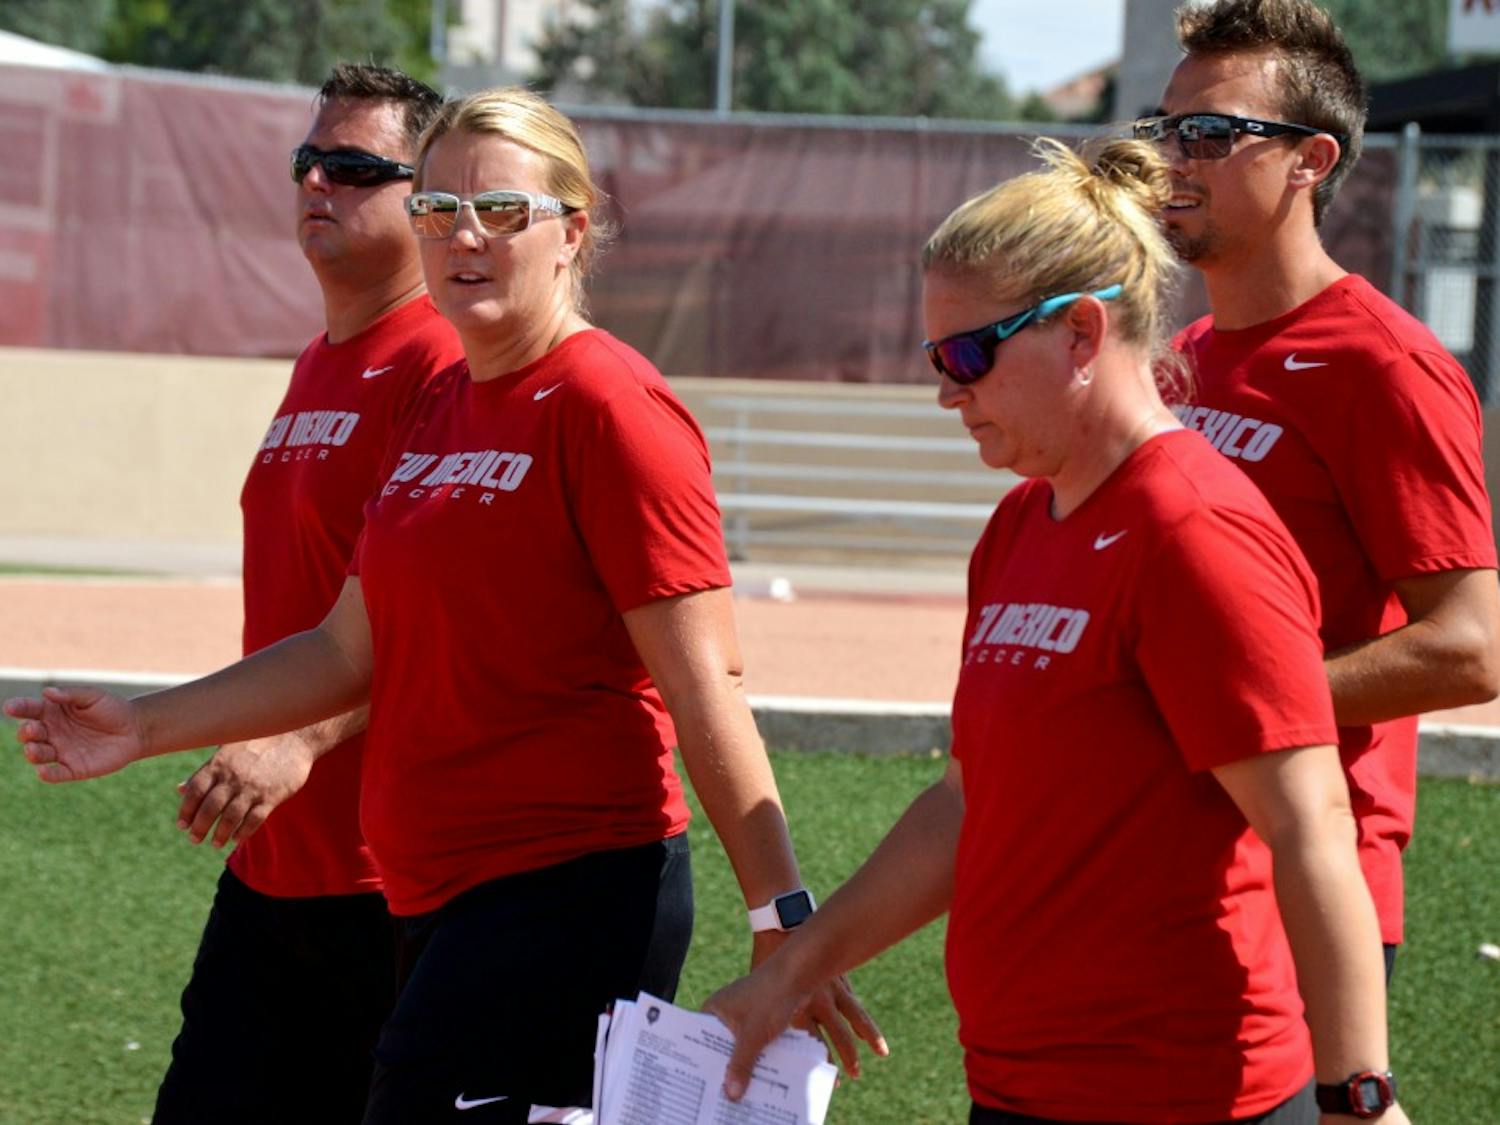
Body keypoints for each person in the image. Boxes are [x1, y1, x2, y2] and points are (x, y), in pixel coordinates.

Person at [7, 85, 881, 1124]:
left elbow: (705, 689)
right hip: (434, 895)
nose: (465, 235)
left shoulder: (611, 403)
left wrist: (784, 920)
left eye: (503, 211)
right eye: (438, 210)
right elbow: (343, 651)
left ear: (573, 231)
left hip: (570, 888)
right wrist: (144, 725)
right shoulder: (440, 403)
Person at [703, 137, 1407, 1124]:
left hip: (1185, 1096)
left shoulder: (1193, 529)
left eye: (967, 355)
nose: (947, 390)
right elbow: (966, 798)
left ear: (1081, 332)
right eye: (934, 358)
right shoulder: (1020, 525)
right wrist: (791, 972)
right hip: (1027, 1088)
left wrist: (1359, 1095)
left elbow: (1311, 826)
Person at [13, 64, 458, 1123]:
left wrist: (301, 740)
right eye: (309, 161)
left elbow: (445, 612)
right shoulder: (319, 362)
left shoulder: (441, 365)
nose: (319, 182)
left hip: (385, 889)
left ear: (424, 196)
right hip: (269, 874)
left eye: (354, 167)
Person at [1139, 0, 1500, 980]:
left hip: (1309, 888)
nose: (1173, 157)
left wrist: (1229, 705)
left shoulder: (1385, 365)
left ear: (1312, 161)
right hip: (1179, 867)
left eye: (1211, 132)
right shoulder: (1183, 358)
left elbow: (1469, 648)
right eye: (1165, 127)